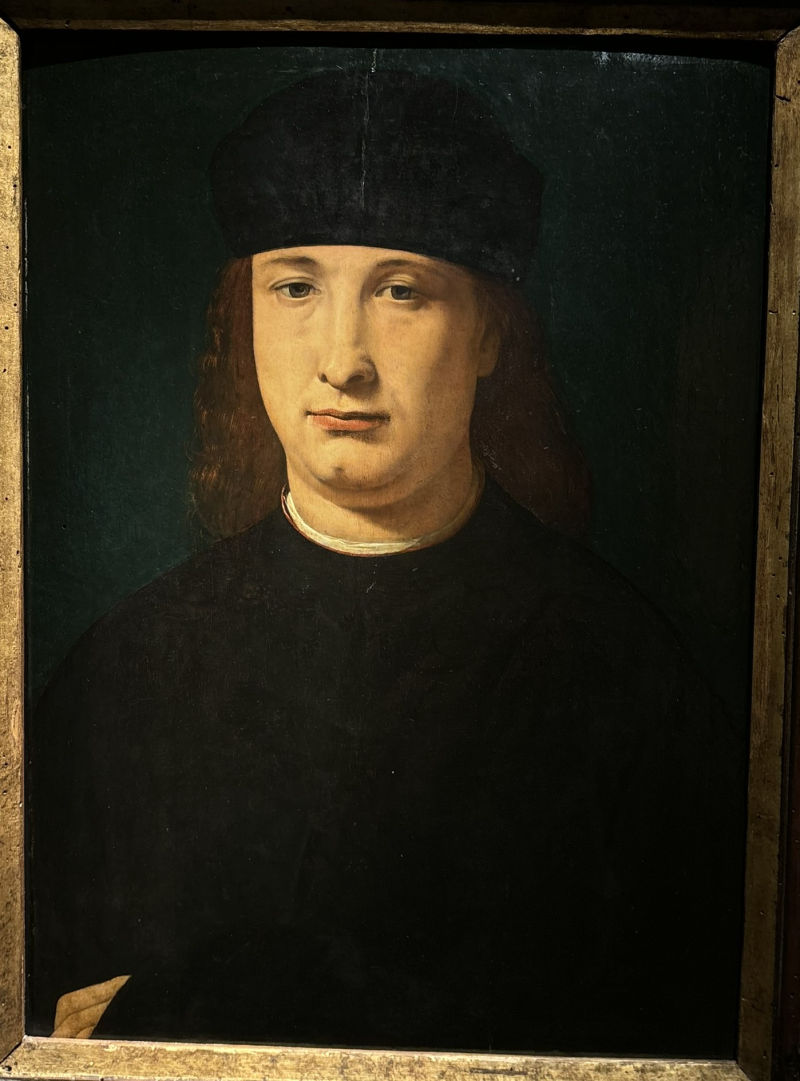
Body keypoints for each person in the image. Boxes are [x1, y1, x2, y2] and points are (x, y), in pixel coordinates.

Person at [28, 69, 744, 1056]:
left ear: (488, 332)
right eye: (295, 288)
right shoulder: (121, 671)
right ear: (244, 315)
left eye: (401, 292)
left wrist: (199, 1002)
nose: (343, 360)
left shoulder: (625, 674)